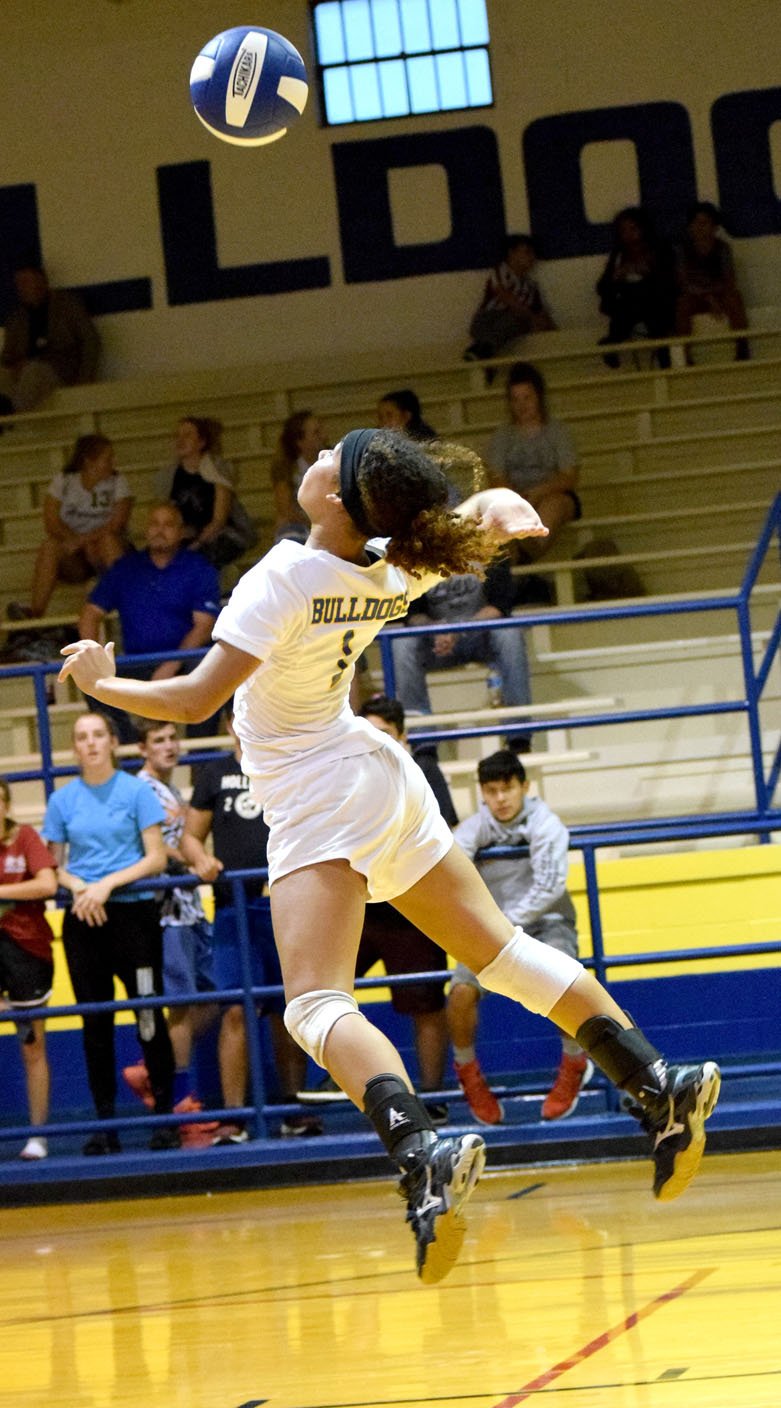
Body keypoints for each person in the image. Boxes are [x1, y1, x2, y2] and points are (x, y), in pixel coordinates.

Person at [59, 428, 720, 1282]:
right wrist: (490, 510)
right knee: (502, 954)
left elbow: (193, 701)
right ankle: (655, 1080)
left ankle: (422, 1151)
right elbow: (453, 534)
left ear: (337, 499)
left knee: (311, 1006)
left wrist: (104, 681)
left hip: (315, 788)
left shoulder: (284, 577)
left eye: (333, 455)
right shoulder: (383, 561)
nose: (319, 454)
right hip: (380, 773)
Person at [182, 711, 322, 1141]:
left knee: (288, 1011)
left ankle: (293, 1106)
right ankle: (234, 1117)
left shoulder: (285, 764)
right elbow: (189, 837)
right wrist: (200, 859)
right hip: (231, 910)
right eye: (238, 716)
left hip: (283, 907)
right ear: (228, 724)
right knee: (236, 1012)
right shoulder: (215, 773)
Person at [41, 711, 177, 1154]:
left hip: (133, 918)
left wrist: (106, 884)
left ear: (112, 742)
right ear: (75, 747)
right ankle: (106, 1126)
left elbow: (155, 857)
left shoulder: (136, 791)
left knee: (148, 1018)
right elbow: (54, 866)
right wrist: (82, 887)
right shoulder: (63, 801)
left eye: (98, 734)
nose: (91, 743)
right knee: (94, 1023)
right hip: (85, 922)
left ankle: (163, 1119)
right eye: (82, 737)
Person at [447, 751, 591, 1125]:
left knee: (563, 982)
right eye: (492, 791)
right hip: (495, 930)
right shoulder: (472, 830)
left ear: (525, 787)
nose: (501, 799)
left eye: (508, 789)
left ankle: (575, 1059)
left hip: (547, 922)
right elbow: (450, 869)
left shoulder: (547, 825)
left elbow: (549, 886)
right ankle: (468, 1075)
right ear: (482, 793)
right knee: (460, 994)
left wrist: (504, 926)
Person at [348, 695, 458, 1121]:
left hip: (411, 907)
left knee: (426, 1001)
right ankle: (330, 1085)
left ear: (404, 739)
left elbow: (443, 831)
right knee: (318, 994)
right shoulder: (352, 771)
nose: (376, 744)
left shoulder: (422, 770)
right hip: (361, 906)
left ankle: (431, 1096)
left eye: (385, 735)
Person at [119, 720, 218, 1147]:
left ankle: (152, 1066)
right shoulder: (142, 789)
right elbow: (155, 845)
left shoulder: (171, 790)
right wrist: (194, 860)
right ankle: (179, 1100)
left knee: (216, 994)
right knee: (179, 1005)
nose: (169, 746)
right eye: (158, 740)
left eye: (173, 738)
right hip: (167, 910)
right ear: (142, 748)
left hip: (189, 905)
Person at [77, 501, 220, 739]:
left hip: (183, 662)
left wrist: (170, 667)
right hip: (137, 663)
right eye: (154, 523)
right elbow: (89, 615)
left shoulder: (198, 568)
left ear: (181, 531)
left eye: (168, 524)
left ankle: (201, 759)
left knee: (208, 665)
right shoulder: (126, 568)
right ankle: (131, 755)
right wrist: (95, 657)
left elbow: (204, 625)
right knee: (92, 679)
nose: (159, 530)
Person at [390, 551, 531, 750]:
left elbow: (499, 607)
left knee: (509, 633)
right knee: (401, 643)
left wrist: (458, 630)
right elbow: (411, 614)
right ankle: (421, 740)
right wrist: (436, 630)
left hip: (480, 637)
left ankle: (519, 734)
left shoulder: (491, 546)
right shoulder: (415, 551)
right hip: (436, 641)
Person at [8, 434, 132, 621]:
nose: (113, 462)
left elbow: (117, 523)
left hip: (107, 549)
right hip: (76, 554)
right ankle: (35, 613)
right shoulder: (64, 480)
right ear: (89, 461)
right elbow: (50, 522)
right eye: (108, 458)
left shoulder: (118, 481)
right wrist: (78, 542)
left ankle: (128, 605)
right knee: (50, 546)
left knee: (108, 540)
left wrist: (86, 540)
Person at [0, 777, 58, 1160]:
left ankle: (38, 1136)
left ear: (6, 805)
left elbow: (48, 883)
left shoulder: (25, 839)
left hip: (26, 951)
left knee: (32, 1047)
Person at [487, 361, 581, 567]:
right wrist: (516, 498)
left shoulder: (557, 431)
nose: (522, 405)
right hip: (515, 497)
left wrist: (539, 492)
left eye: (527, 398)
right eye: (515, 399)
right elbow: (497, 476)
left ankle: (526, 552)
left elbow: (569, 476)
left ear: (539, 397)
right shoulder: (502, 435)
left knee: (555, 503)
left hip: (552, 494)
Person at [155, 416, 257, 569]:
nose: (180, 440)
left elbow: (219, 521)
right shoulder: (168, 477)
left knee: (201, 560)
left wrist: (196, 544)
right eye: (178, 435)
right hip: (187, 536)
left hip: (223, 535)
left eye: (187, 435)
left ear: (201, 442)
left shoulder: (217, 471)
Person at [0, 260, 100, 414]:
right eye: (18, 284)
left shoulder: (67, 305)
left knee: (34, 371)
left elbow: (90, 340)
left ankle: (12, 416)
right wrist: (14, 365)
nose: (21, 288)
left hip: (60, 370)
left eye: (25, 282)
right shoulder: (16, 318)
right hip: (23, 374)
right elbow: (7, 356)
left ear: (41, 281)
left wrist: (84, 381)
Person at [596, 206, 677, 367]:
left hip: (656, 301)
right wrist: (615, 277)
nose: (629, 235)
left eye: (633, 228)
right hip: (628, 303)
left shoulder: (660, 249)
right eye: (623, 231)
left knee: (657, 322)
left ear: (643, 228)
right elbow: (601, 288)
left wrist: (649, 272)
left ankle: (665, 363)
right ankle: (611, 344)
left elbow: (671, 280)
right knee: (624, 312)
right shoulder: (618, 255)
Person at [675, 201, 750, 361]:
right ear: (689, 226)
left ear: (715, 227)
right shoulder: (682, 250)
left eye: (704, 223)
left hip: (719, 294)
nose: (699, 227)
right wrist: (708, 298)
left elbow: (729, 280)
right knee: (682, 304)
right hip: (695, 297)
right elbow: (683, 282)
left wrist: (715, 295)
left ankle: (742, 346)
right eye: (695, 222)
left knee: (734, 298)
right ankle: (684, 354)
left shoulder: (723, 249)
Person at [464, 234, 556, 363]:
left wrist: (555, 335)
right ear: (511, 253)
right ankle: (485, 351)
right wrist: (532, 317)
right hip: (488, 320)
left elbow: (542, 315)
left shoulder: (531, 287)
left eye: (533, 254)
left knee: (518, 323)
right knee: (515, 319)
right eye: (527, 252)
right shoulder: (500, 272)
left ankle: (482, 353)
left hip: (513, 327)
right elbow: (505, 297)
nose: (532, 258)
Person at [270, 410, 327, 544]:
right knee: (291, 539)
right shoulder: (286, 468)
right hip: (298, 524)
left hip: (328, 525)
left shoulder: (333, 460)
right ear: (299, 442)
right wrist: (316, 525)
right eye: (316, 433)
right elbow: (286, 510)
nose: (324, 436)